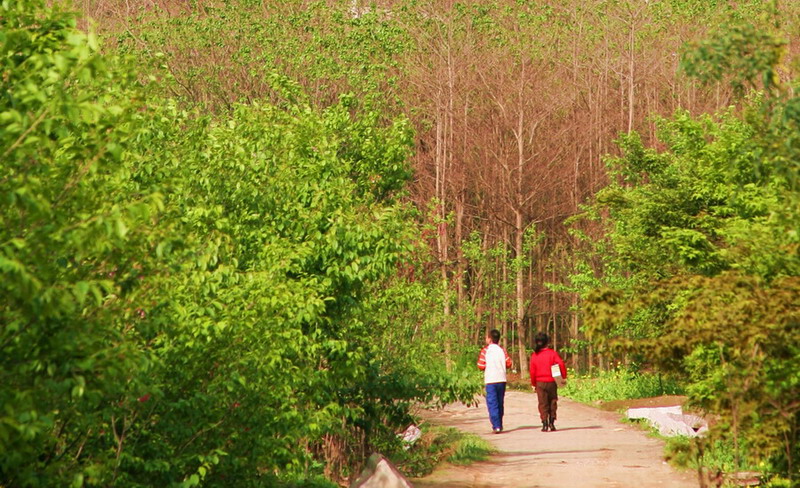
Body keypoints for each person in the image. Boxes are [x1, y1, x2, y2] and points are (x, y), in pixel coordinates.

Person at [529, 332, 567, 432]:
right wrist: (563, 377)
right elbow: (561, 364)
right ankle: (552, 422)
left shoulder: (534, 355)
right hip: (552, 381)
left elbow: (532, 371)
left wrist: (533, 383)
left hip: (540, 382)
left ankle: (544, 423)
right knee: (552, 401)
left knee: (542, 403)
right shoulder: (552, 353)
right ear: (547, 342)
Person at [477, 329, 513, 433]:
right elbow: (509, 363)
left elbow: (481, 365)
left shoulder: (485, 351)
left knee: (492, 403)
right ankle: (499, 424)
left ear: (489, 339)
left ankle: (496, 425)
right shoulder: (502, 350)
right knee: (500, 402)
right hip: (501, 379)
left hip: (490, 380)